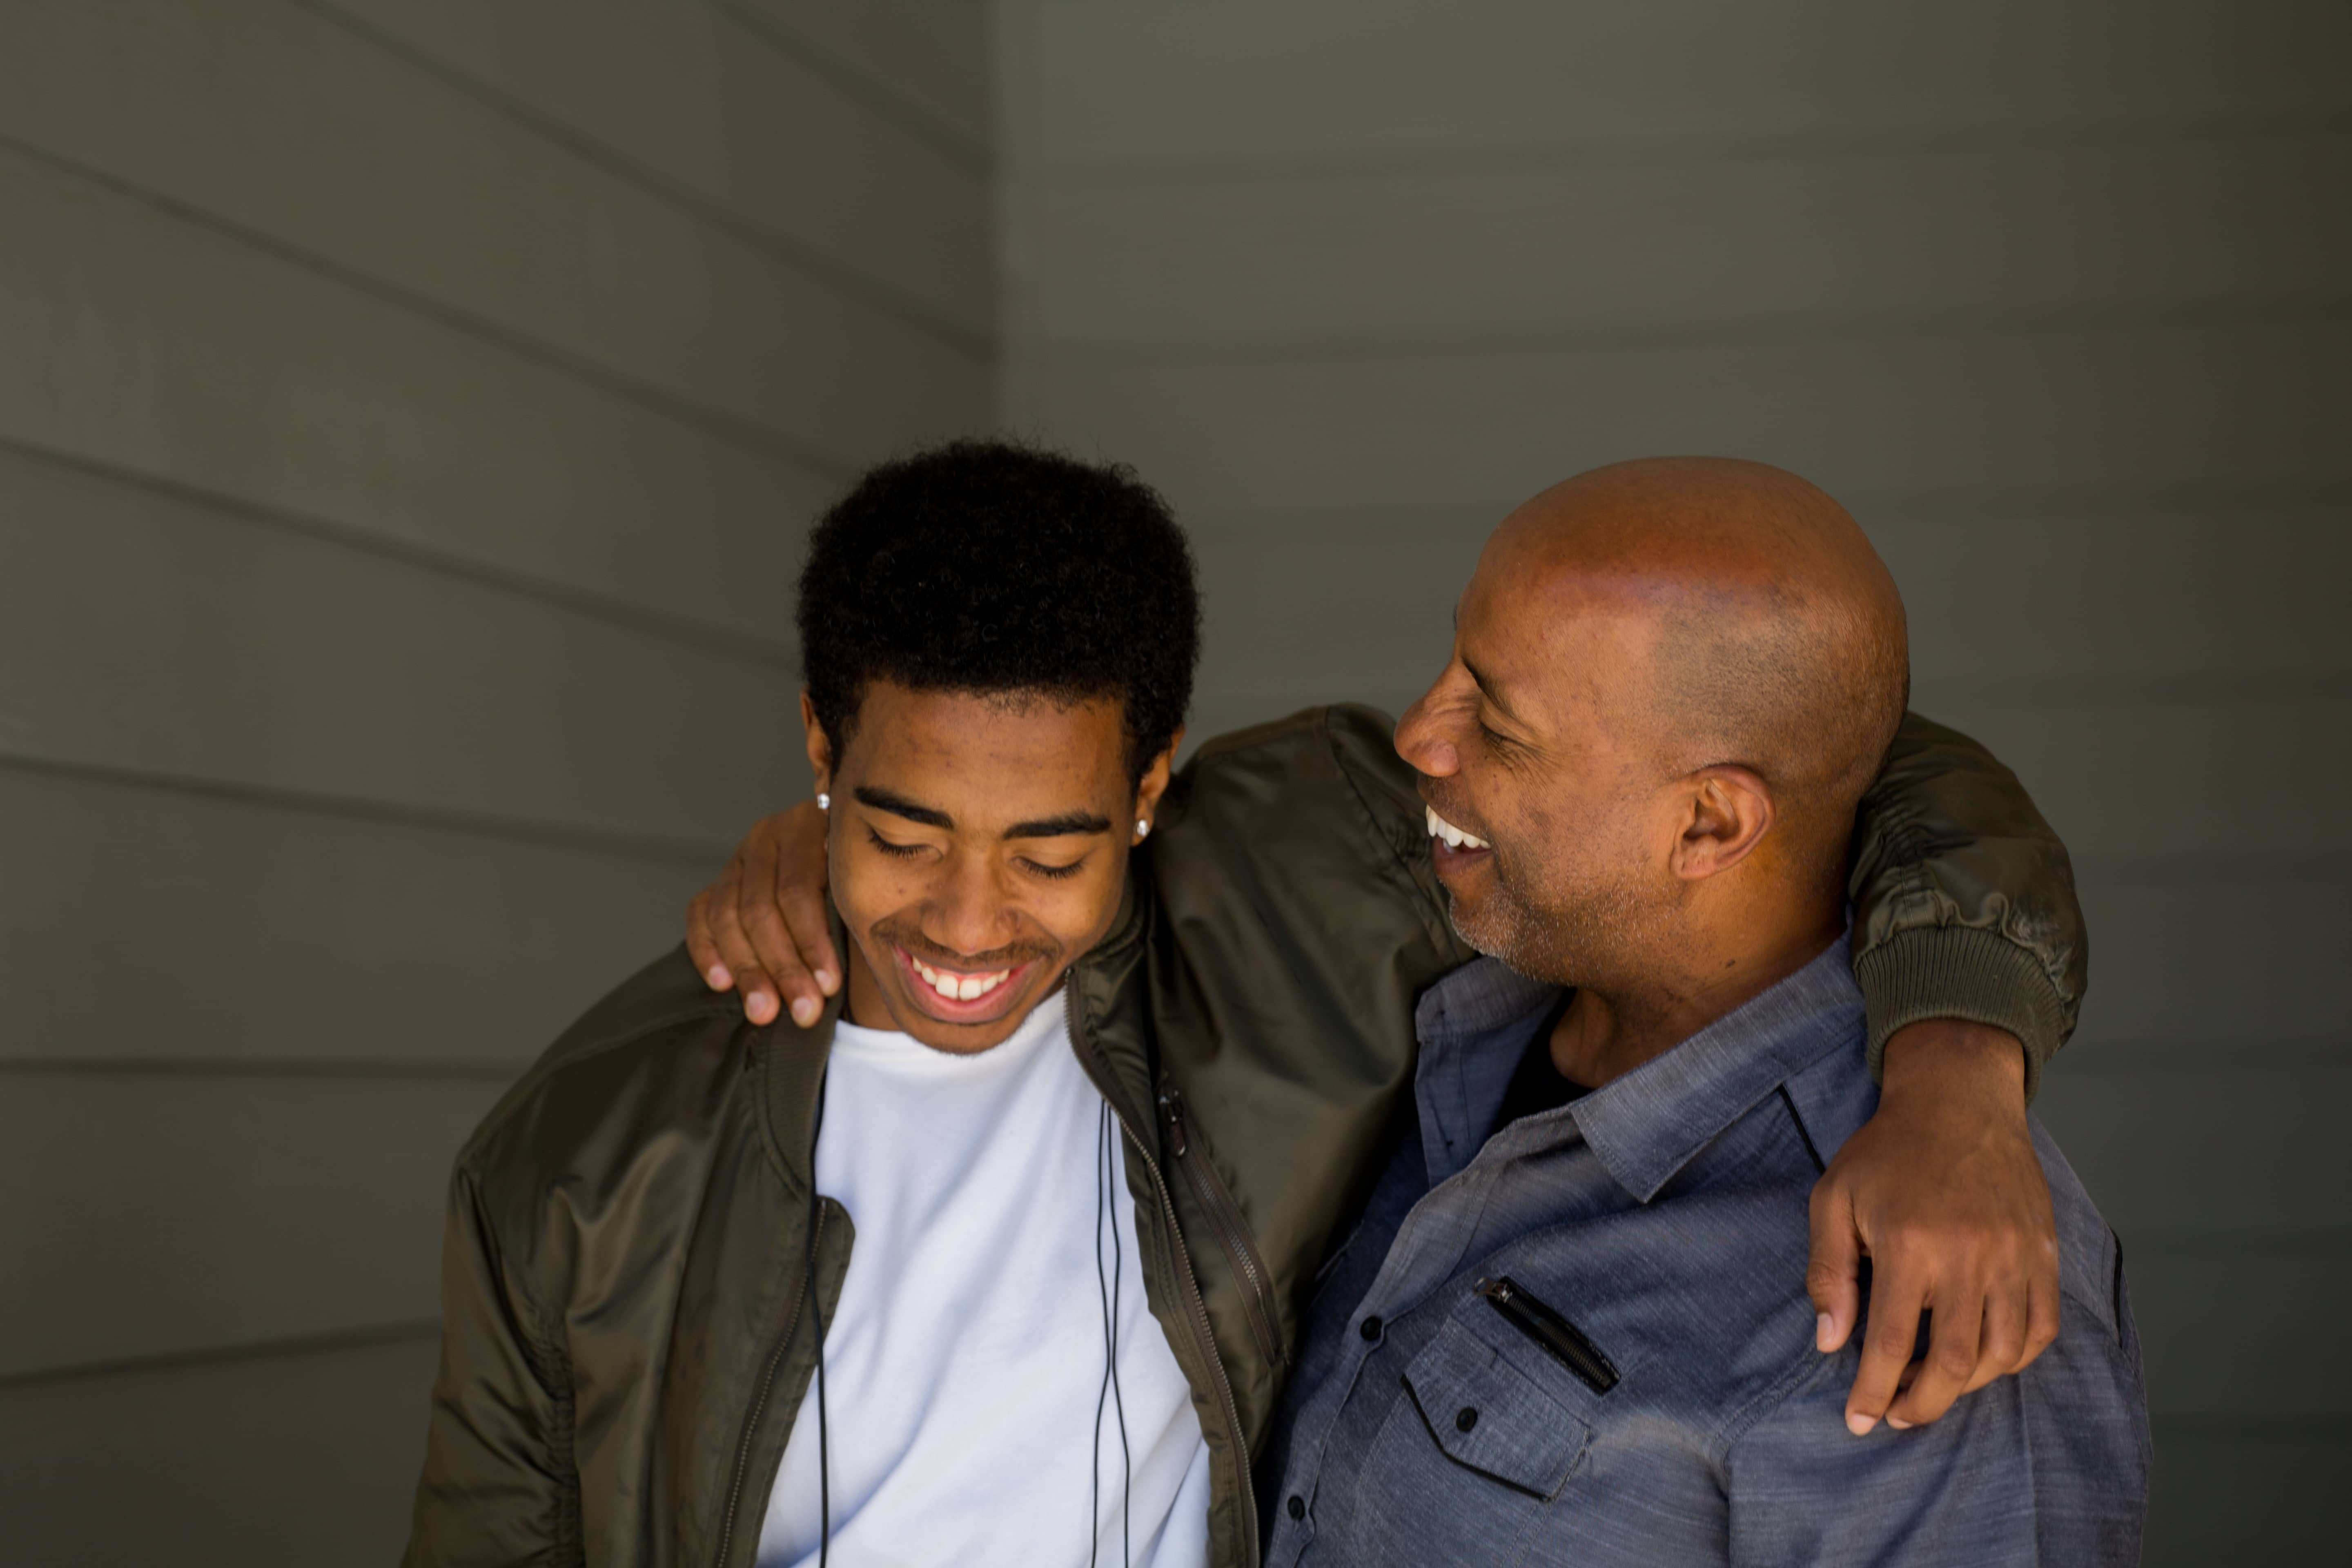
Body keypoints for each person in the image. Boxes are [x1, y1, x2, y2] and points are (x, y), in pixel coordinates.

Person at [408, 442, 2088, 1568]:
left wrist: (1953, 1062)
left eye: (1050, 843)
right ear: (818, 755)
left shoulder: (1301, 887)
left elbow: (1844, 761)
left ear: (1154, 785)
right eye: (904, 825)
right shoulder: (584, 1156)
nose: (970, 915)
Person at [1250, 458, 2148, 1561]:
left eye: (1497, 718)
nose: (1419, 737)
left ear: (1711, 825)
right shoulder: (1447, 993)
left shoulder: (1929, 1286)